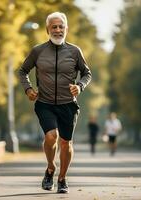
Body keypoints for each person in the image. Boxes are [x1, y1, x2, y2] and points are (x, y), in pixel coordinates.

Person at [19, 12, 92, 193]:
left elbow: (87, 73)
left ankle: (62, 178)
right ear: (47, 30)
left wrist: (80, 86)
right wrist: (28, 89)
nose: (58, 30)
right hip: (45, 103)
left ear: (66, 29)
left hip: (68, 104)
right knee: (51, 136)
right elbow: (22, 71)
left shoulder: (75, 51)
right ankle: (51, 167)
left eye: (61, 27)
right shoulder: (38, 51)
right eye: (54, 27)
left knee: (66, 142)